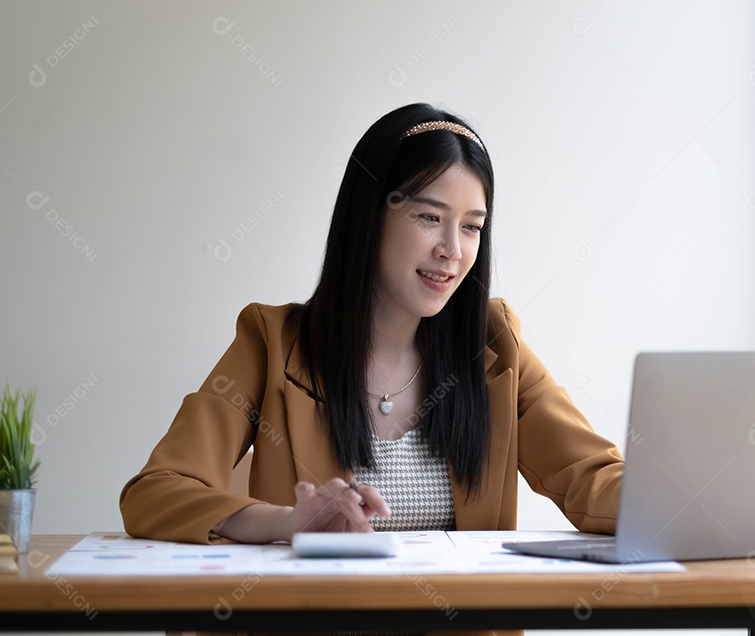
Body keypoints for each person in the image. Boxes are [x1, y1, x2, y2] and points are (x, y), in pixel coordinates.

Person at [120, 103, 623, 554]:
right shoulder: (271, 342)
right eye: (430, 217)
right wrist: (286, 522)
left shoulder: (494, 345)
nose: (452, 249)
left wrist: (691, 496)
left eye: (472, 226)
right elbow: (156, 491)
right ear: (369, 217)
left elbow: (592, 479)